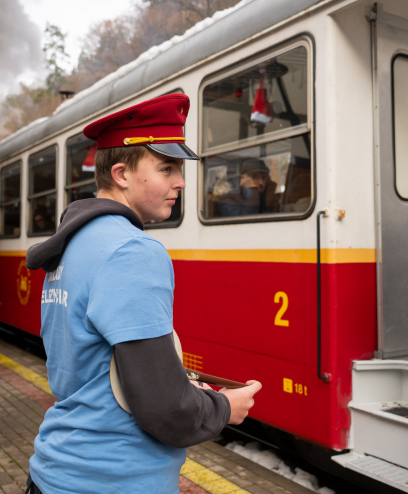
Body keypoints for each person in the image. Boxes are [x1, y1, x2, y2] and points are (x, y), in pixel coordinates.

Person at [25, 93, 262, 494]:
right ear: (121, 174)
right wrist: (225, 408)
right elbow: (164, 408)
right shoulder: (132, 251)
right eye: (166, 168)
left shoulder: (73, 244)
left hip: (59, 470)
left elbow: (101, 369)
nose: (181, 182)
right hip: (115, 479)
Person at [216, 157, 280, 216]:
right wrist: (252, 189)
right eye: (255, 176)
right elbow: (247, 221)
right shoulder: (228, 200)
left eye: (263, 177)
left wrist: (269, 200)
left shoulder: (262, 196)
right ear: (242, 179)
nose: (261, 182)